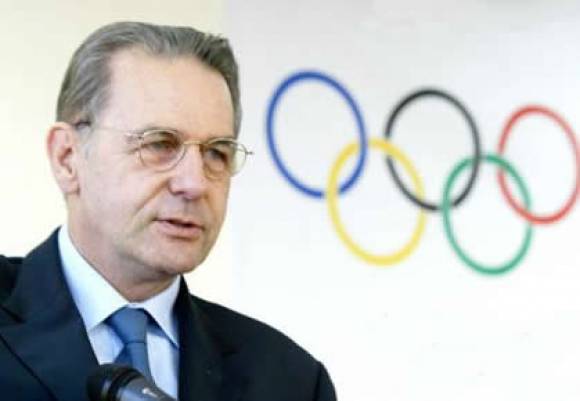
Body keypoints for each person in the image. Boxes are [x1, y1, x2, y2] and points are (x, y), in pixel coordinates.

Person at [0, 21, 336, 401]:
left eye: (216, 153)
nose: (194, 183)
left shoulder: (290, 381)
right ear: (67, 157)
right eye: (160, 144)